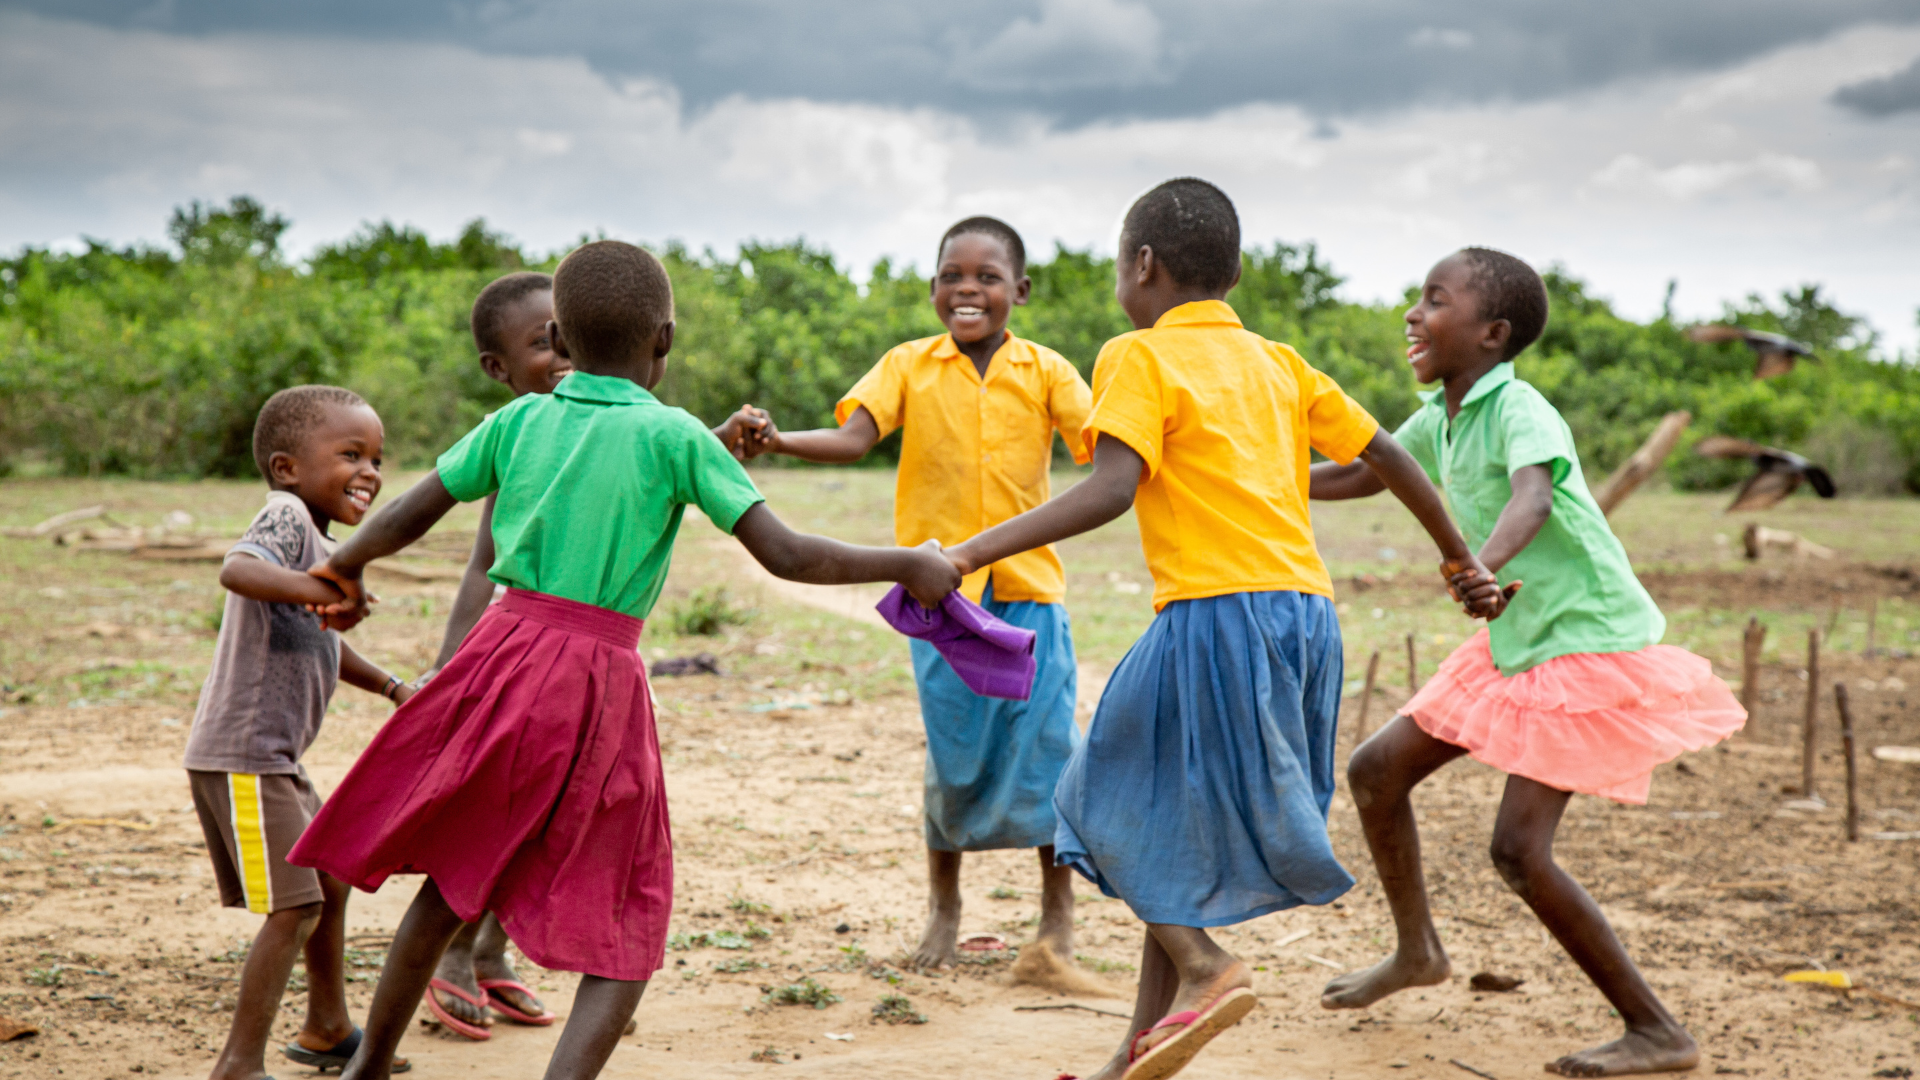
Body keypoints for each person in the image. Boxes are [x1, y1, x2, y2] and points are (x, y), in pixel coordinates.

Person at [286, 240, 961, 1080]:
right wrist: (908, 562)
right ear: (666, 341)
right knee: (628, 909)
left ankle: (367, 1069)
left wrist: (344, 566)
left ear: (560, 340)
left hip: (498, 658)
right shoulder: (676, 436)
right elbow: (787, 555)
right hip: (592, 679)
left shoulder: (520, 418)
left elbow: (418, 507)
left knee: (455, 876)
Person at [940, 179, 1501, 1080]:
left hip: (1213, 615)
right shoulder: (1278, 361)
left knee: (1086, 801)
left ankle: (1208, 966)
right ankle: (1136, 1052)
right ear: (1234, 274)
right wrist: (1456, 560)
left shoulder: (1137, 354)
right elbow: (1388, 452)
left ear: (1142, 266)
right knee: (1165, 833)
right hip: (1306, 622)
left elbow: (1112, 487)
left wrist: (967, 552)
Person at [1311, 248, 1745, 1077]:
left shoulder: (1521, 408)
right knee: (1375, 771)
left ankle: (1657, 1030)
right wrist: (1254, 480)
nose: (1412, 312)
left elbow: (1532, 497)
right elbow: (1359, 474)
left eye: (1434, 300)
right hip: (1515, 640)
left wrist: (1481, 567)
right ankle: (1417, 952)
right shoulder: (1439, 417)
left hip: (1581, 646)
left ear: (1491, 333)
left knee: (1518, 849)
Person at [727, 216, 1098, 983]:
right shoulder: (907, 365)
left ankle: (1056, 918)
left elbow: (1104, 449)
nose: (968, 290)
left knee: (1047, 750)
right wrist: (778, 441)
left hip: (1030, 590)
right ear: (933, 290)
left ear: (1019, 291)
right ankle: (945, 906)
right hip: (940, 599)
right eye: (952, 276)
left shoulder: (1051, 371)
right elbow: (856, 438)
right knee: (954, 755)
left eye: (988, 277)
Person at [182, 385, 416, 1080]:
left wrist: (393, 687)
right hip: (245, 755)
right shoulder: (285, 516)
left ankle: (325, 1025)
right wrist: (325, 588)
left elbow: (320, 643)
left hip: (275, 758)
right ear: (288, 468)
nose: (371, 471)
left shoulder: (319, 544)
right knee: (297, 906)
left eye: (377, 457)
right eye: (351, 453)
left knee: (332, 879)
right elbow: (237, 569)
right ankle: (239, 1064)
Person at [413, 271, 568, 1038]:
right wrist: (450, 669)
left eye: (570, 335)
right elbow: (483, 562)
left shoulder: (601, 425)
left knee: (543, 818)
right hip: (513, 655)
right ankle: (447, 960)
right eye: (544, 344)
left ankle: (492, 952)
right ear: (498, 369)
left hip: (582, 666)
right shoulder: (517, 436)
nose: (563, 353)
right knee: (490, 814)